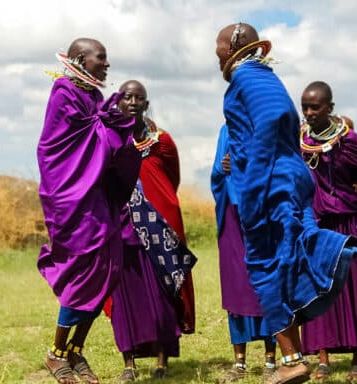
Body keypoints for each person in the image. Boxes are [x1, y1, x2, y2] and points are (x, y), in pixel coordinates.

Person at [215, 22, 357, 384]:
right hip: (281, 178)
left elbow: (273, 116)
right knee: (279, 264)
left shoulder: (248, 74)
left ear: (235, 43)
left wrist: (253, 178)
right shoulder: (257, 75)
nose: (215, 51)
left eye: (218, 44)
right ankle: (292, 358)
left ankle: (335, 252)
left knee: (263, 265)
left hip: (271, 184)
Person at [37, 38, 139, 384]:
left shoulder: (94, 97)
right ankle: (56, 353)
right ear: (81, 59)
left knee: (106, 272)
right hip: (74, 201)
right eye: (101, 58)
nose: (107, 64)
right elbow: (68, 146)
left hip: (99, 200)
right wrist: (112, 124)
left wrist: (115, 122)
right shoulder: (64, 92)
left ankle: (76, 351)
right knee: (82, 277)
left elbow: (104, 135)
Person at [108, 80, 198, 382]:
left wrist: (155, 208)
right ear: (118, 102)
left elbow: (171, 181)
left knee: (162, 297)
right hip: (121, 229)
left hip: (160, 230)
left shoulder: (162, 142)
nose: (132, 102)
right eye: (127, 97)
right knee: (126, 300)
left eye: (139, 98)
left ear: (147, 104)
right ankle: (129, 363)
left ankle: (162, 359)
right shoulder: (107, 141)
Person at [298, 81, 357, 382]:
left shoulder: (349, 140)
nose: (309, 112)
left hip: (347, 221)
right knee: (318, 289)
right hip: (316, 224)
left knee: (353, 289)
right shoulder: (300, 140)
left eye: (315, 107)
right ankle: (323, 358)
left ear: (330, 106)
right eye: (304, 107)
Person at [212, 124, 278, 383]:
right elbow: (216, 173)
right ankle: (239, 361)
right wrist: (222, 169)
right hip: (232, 217)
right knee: (237, 287)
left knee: (267, 286)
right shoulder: (227, 129)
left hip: (264, 218)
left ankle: (271, 358)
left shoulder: (271, 128)